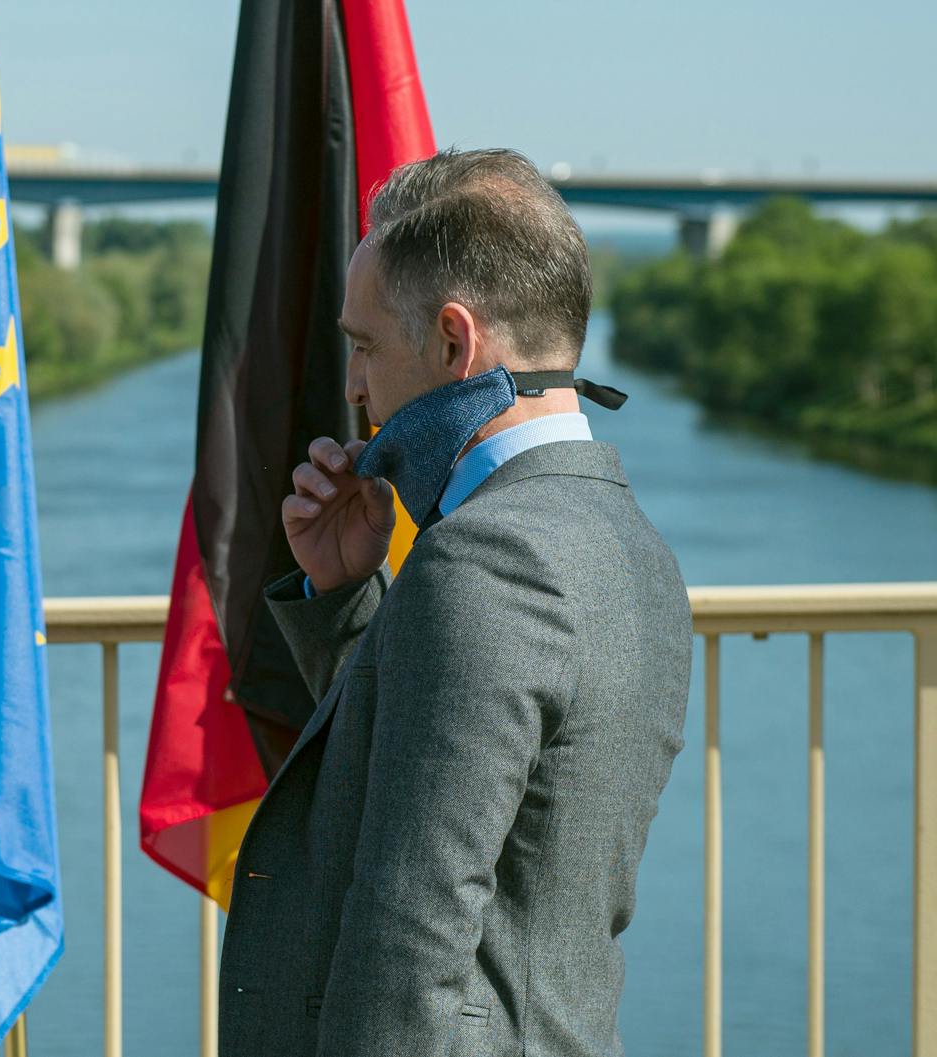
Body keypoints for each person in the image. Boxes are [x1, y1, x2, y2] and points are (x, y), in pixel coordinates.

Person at [217, 148, 691, 1056]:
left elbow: (410, 936)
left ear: (451, 340)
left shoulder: (484, 557)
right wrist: (345, 596)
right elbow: (460, 801)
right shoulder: (631, 542)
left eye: (364, 346)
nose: (355, 386)